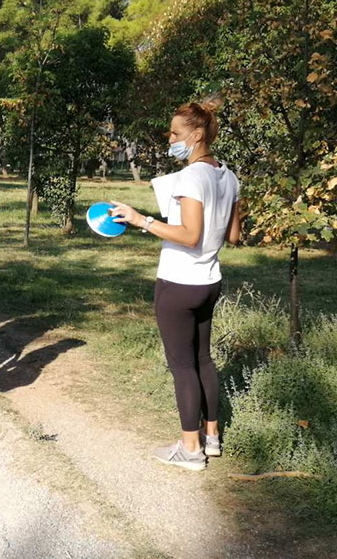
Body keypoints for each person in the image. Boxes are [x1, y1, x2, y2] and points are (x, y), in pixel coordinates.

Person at [111, 100, 241, 472]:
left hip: (179, 283)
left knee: (182, 365)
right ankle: (211, 438)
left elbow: (189, 234)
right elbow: (233, 236)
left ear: (197, 135)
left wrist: (141, 220)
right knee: (203, 360)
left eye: (175, 133)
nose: (170, 139)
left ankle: (190, 450)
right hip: (210, 282)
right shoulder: (229, 177)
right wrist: (234, 202)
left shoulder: (189, 178)